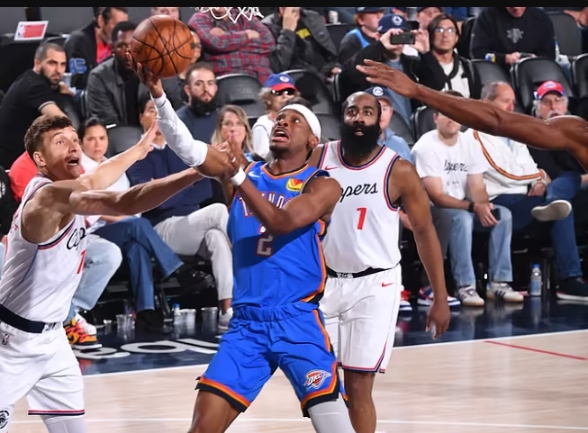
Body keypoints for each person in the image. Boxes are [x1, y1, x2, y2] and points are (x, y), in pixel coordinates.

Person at [0, 114, 225, 433]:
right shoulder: (46, 199)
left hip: (53, 340)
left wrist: (143, 150)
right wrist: (194, 172)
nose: (73, 146)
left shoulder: (72, 193)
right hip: (13, 341)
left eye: (74, 139)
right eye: (60, 142)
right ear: (40, 159)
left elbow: (105, 182)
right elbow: (117, 197)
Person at [187, 104, 355, 433]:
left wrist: (237, 176)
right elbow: (190, 150)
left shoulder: (322, 185)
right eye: (280, 119)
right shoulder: (245, 173)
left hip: (297, 321)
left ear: (313, 140)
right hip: (246, 325)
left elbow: (281, 222)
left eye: (295, 121)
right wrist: (159, 98)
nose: (283, 123)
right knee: (202, 428)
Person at [308, 91, 451, 433]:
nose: (359, 118)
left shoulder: (398, 170)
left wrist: (440, 296)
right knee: (321, 386)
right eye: (352, 111)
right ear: (343, 117)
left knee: (359, 386)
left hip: (375, 285)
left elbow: (424, 232)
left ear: (380, 121)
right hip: (324, 284)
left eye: (367, 112)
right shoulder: (319, 158)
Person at [356, 59, 588, 169]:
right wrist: (418, 91)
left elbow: (498, 121)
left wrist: (419, 90)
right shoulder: (579, 132)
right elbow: (497, 120)